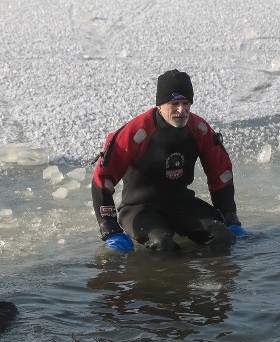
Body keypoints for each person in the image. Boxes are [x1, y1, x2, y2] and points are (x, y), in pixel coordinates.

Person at [91, 69, 248, 252]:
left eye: (186, 103)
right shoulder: (136, 132)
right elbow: (103, 178)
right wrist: (109, 228)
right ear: (160, 105)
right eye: (174, 103)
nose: (181, 110)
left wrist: (230, 216)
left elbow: (221, 173)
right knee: (162, 244)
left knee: (222, 237)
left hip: (181, 204)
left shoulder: (199, 129)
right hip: (139, 208)